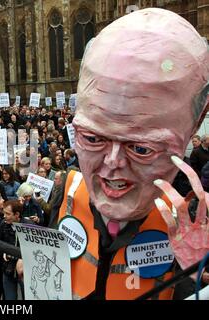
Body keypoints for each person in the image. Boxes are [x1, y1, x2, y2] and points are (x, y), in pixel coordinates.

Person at [46, 8, 209, 300]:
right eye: (93, 138)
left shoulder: (195, 227)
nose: (112, 164)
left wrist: (195, 278)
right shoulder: (66, 192)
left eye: (141, 149)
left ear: (196, 123)